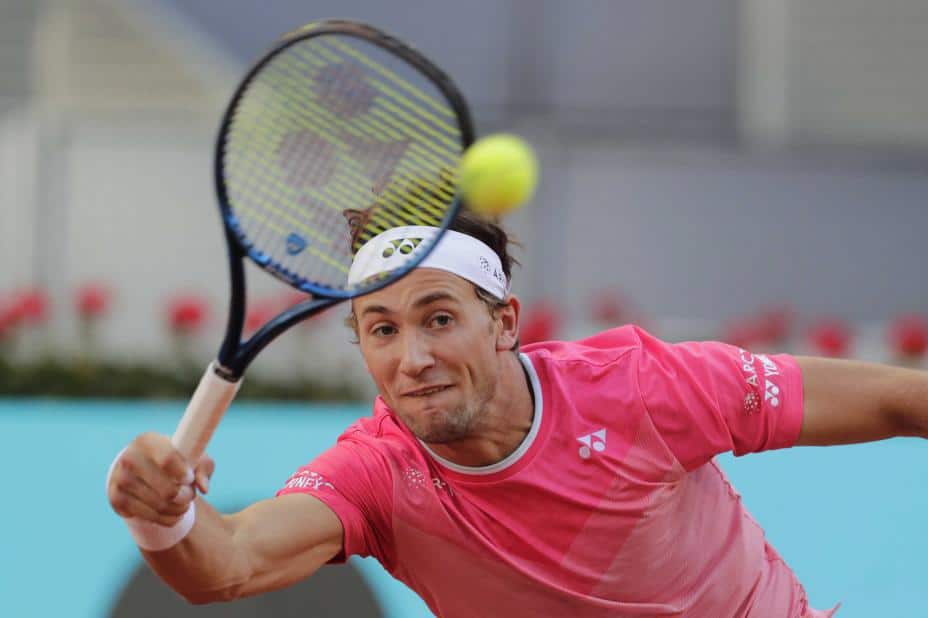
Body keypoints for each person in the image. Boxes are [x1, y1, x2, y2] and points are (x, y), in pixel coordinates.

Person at [107, 210, 924, 617]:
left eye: (438, 318)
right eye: (382, 330)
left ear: (504, 322)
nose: (413, 358)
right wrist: (161, 518)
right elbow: (228, 564)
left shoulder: (642, 388)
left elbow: (895, 400)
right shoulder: (376, 473)